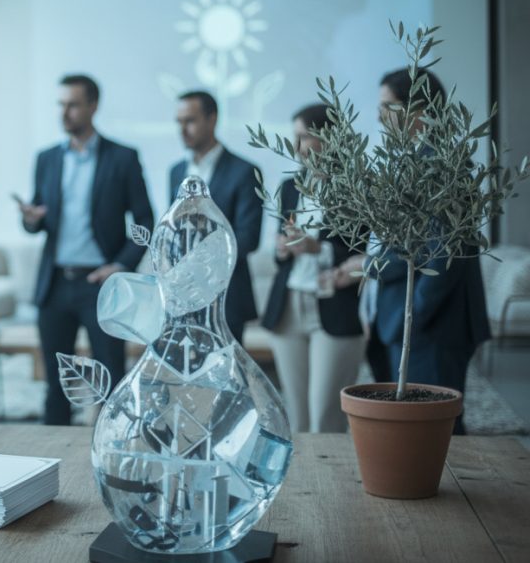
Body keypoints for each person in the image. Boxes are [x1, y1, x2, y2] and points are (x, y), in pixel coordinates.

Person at [19, 74, 153, 426]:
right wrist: (31, 220)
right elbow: (38, 220)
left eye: (73, 105)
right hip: (55, 284)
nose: (64, 113)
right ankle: (52, 454)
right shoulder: (47, 159)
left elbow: (145, 221)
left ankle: (113, 449)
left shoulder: (122, 158)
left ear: (93, 106)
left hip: (101, 286)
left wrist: (120, 265)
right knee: (56, 384)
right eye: (61, 104)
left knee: (111, 380)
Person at [365, 67, 491, 434]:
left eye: (387, 106)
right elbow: (410, 247)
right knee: (415, 430)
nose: (379, 116)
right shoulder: (414, 159)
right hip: (409, 321)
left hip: (432, 325)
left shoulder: (441, 166)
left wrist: (413, 318)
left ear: (419, 111)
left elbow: (444, 253)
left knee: (433, 431)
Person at [262, 103, 366, 433]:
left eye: (304, 137)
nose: (296, 147)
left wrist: (316, 247)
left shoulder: (358, 185)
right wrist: (283, 248)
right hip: (289, 305)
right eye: (294, 137)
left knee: (326, 416)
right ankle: (300, 469)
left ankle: (330, 470)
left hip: (334, 306)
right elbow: (280, 254)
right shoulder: (290, 186)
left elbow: (368, 253)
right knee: (296, 416)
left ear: (330, 138)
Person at [169, 91, 263, 345]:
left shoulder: (244, 171)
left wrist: (200, 264)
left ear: (212, 119)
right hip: (182, 298)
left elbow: (248, 237)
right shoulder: (176, 171)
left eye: (190, 121)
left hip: (227, 296)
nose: (182, 129)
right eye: (179, 122)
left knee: (227, 369)